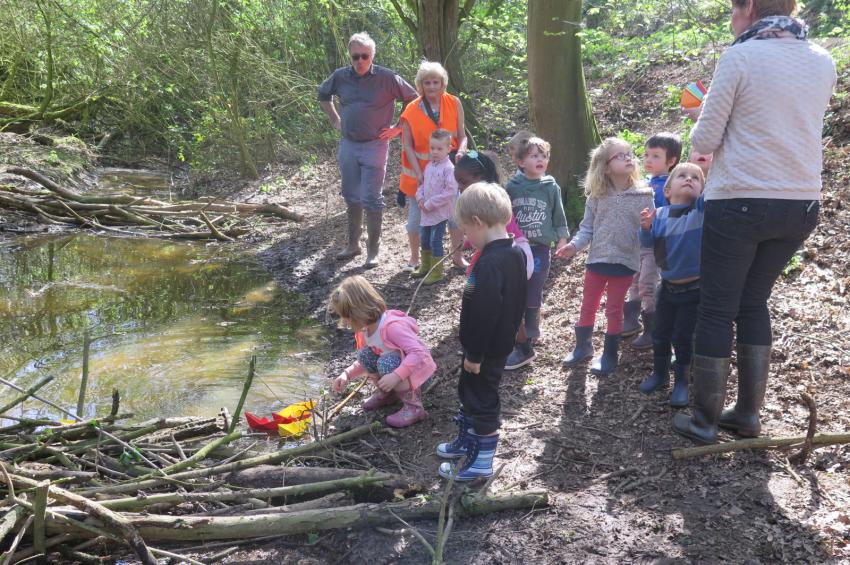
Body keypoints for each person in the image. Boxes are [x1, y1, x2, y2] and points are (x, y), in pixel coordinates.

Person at [673, 0, 836, 444]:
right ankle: (746, 415)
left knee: (717, 308)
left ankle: (704, 421)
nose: (731, 19)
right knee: (753, 301)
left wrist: (697, 120)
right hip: (801, 202)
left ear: (748, 8)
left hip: (742, 198)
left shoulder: (740, 56)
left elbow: (705, 139)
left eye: (732, 9)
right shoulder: (822, 60)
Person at [436, 182, 527, 481]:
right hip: (499, 343)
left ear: (477, 222)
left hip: (484, 348)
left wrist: (474, 353)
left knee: (482, 399)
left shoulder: (488, 264)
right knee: (468, 391)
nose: (465, 238)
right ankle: (467, 441)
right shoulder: (515, 252)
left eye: (465, 230)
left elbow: (483, 313)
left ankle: (480, 464)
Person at [318, 32, 418, 268]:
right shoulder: (340, 76)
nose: (360, 61)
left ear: (372, 55)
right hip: (349, 145)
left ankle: (373, 250)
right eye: (355, 56)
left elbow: (413, 98)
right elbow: (323, 94)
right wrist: (335, 119)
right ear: (350, 56)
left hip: (376, 144)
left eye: (364, 56)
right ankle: (353, 244)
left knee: (372, 197)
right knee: (351, 195)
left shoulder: (387, 78)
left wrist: (398, 127)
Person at [560, 138, 654, 376]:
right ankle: (583, 346)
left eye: (630, 153)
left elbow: (648, 233)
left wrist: (647, 227)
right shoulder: (597, 196)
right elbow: (587, 229)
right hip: (597, 260)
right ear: (605, 166)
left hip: (625, 262)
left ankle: (609, 354)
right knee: (588, 305)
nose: (629, 157)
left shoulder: (644, 195)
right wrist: (574, 246)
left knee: (614, 309)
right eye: (620, 155)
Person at [637, 163, 706, 406]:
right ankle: (659, 373)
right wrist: (645, 228)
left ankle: (682, 382)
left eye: (696, 178)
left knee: (684, 336)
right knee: (660, 332)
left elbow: (714, 189)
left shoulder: (699, 211)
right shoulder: (660, 215)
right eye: (683, 176)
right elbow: (647, 242)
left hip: (694, 290)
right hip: (666, 287)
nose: (689, 179)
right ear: (667, 191)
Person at [330, 275, 436, 428]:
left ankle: (414, 407)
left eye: (348, 318)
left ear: (360, 312)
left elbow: (418, 353)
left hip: (418, 378)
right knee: (365, 355)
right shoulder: (364, 330)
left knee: (387, 363)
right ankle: (389, 394)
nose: (346, 323)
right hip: (397, 374)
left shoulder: (392, 327)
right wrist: (346, 374)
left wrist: (395, 376)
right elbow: (365, 360)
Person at [504, 137, 570, 370]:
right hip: (517, 248)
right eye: (534, 156)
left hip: (541, 248)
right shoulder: (512, 187)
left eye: (544, 156)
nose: (541, 159)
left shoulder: (551, 187)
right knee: (516, 288)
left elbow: (558, 215)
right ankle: (515, 329)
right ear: (521, 162)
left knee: (534, 287)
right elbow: (505, 215)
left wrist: (562, 238)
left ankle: (530, 331)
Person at [399, 61, 468, 273]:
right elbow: (407, 146)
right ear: (420, 85)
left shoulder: (454, 103)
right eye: (427, 82)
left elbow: (462, 135)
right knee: (415, 223)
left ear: (443, 83)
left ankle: (457, 256)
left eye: (435, 82)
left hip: (448, 173)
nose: (431, 87)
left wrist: (462, 151)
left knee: (454, 219)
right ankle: (414, 259)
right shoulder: (410, 110)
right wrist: (420, 174)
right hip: (420, 177)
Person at [624, 133, 682, 350]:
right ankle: (630, 321)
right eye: (646, 154)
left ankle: (653, 328)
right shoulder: (642, 182)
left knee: (648, 283)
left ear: (671, 161)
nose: (648, 159)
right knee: (633, 280)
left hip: (656, 244)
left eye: (656, 156)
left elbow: (673, 211)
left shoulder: (671, 185)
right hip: (637, 242)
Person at [454, 151, 534, 279]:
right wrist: (468, 242)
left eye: (463, 182)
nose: (460, 187)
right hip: (502, 251)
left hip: (510, 253)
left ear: (481, 178)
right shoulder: (479, 202)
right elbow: (483, 231)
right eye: (458, 183)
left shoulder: (492, 202)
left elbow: (497, 230)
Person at [410, 129, 458, 285]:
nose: (435, 152)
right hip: (426, 212)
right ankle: (425, 267)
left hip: (440, 212)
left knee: (434, 241)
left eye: (439, 149)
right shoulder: (429, 165)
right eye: (432, 148)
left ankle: (436, 272)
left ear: (448, 149)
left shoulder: (449, 169)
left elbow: (450, 191)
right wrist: (420, 197)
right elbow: (422, 185)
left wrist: (430, 204)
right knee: (424, 238)